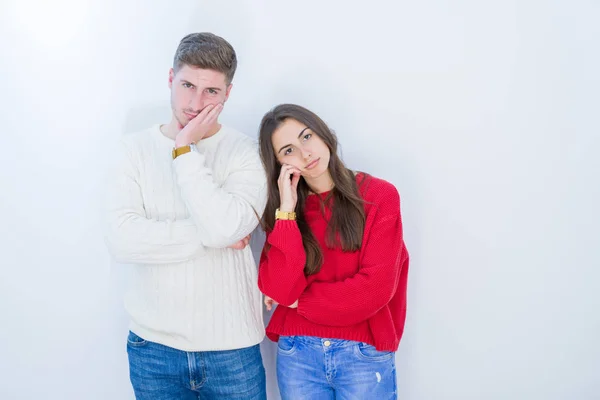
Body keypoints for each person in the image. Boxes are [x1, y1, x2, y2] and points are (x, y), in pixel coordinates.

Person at [105, 32, 267, 399]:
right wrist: (212, 236)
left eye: (211, 91)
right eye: (187, 85)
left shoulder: (247, 152)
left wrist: (183, 150)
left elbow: (225, 226)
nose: (195, 102)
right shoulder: (133, 150)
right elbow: (122, 239)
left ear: (228, 93)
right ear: (170, 79)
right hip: (153, 350)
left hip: (232, 350)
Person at [257, 104, 409, 399]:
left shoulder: (378, 197)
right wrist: (286, 211)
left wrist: (301, 303)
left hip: (363, 354)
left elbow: (375, 289)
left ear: (323, 133)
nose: (304, 153)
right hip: (298, 353)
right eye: (287, 150)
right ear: (280, 164)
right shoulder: (284, 214)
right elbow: (280, 289)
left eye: (306, 136)